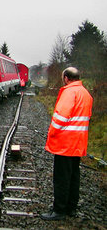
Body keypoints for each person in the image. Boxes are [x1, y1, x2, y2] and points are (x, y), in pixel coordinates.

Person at [41, 67, 93, 220]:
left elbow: (60, 118)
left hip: (65, 144)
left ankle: (59, 211)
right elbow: (87, 117)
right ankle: (71, 208)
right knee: (73, 177)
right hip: (78, 142)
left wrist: (51, 133)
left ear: (66, 78)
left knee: (61, 178)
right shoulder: (85, 93)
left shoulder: (69, 92)